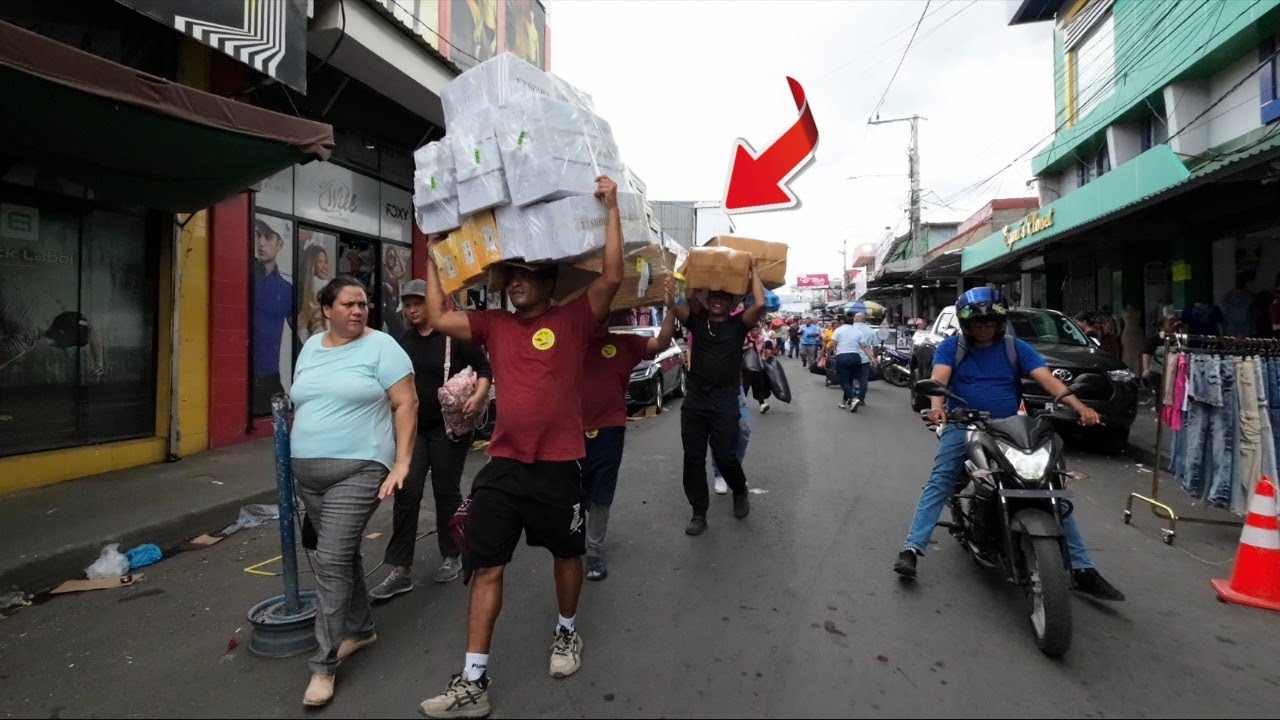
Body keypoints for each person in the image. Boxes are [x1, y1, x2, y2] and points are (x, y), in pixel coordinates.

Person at [416, 176, 624, 719]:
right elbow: (438, 317)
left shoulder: (574, 318)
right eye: (512, 276)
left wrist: (612, 207)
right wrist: (436, 250)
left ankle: (566, 633)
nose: (515, 285)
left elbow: (613, 274)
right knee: (486, 566)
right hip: (504, 465)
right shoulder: (494, 325)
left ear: (549, 281)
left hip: (558, 466)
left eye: (527, 277)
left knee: (566, 555)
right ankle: (473, 680)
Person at [893, 287, 1125, 602]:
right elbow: (939, 380)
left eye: (989, 322)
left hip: (1011, 428)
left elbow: (1048, 380)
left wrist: (1078, 406)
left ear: (999, 322)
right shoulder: (951, 347)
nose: (983, 327)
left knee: (1047, 487)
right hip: (965, 424)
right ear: (966, 325)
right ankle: (912, 548)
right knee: (942, 480)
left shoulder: (1016, 347)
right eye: (977, 323)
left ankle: (1083, 568)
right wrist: (937, 406)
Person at [289, 276, 418, 707]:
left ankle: (322, 667)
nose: (359, 311)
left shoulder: (382, 346)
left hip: (360, 468)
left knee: (330, 560)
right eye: (349, 304)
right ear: (327, 309)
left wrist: (400, 463)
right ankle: (361, 630)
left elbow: (407, 404)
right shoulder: (310, 348)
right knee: (342, 554)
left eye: (363, 304)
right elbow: (303, 401)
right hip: (308, 474)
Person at [368, 280, 493, 601]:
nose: (411, 310)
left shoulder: (453, 336)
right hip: (414, 428)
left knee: (445, 490)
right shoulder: (403, 340)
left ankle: (452, 553)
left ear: (433, 304)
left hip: (448, 427)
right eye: (407, 304)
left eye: (418, 303)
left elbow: (484, 367)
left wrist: (479, 397)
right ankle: (400, 569)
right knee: (407, 492)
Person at [579, 280, 677, 581]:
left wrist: (670, 307)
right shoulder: (568, 344)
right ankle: (572, 544)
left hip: (609, 429)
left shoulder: (624, 343)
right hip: (569, 429)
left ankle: (593, 552)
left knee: (601, 492)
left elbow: (660, 343)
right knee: (572, 490)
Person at [669, 264, 767, 536]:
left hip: (725, 398)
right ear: (707, 299)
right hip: (696, 398)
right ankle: (698, 513)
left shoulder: (738, 325)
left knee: (725, 456)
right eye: (713, 296)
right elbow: (679, 304)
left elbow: (759, 303)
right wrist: (687, 269)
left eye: (724, 298)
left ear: (732, 302)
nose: (718, 301)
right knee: (693, 457)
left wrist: (753, 271)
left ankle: (739, 488)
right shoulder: (697, 321)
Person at [252, 219, 293, 416]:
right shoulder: (244, 277)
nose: (260, 243)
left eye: (267, 237)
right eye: (257, 235)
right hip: (245, 378)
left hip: (271, 378)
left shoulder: (286, 289)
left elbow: (298, 330)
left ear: (280, 244)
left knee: (282, 426)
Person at [831, 312, 879, 412]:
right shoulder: (861, 332)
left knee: (844, 381)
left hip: (844, 357)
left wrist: (831, 353)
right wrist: (872, 358)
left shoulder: (840, 330)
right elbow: (866, 346)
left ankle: (853, 398)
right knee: (857, 380)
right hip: (857, 358)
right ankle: (847, 401)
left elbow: (832, 344)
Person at [298, 243, 333, 345]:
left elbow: (301, 325)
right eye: (320, 262)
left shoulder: (305, 288)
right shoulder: (325, 286)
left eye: (326, 262)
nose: (325, 266)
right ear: (312, 265)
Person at [742, 324, 773, 414]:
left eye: (757, 330)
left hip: (758, 365)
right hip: (747, 366)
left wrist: (763, 357)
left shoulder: (761, 339)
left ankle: (762, 405)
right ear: (750, 331)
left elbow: (762, 349)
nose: (755, 332)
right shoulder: (746, 338)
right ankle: (741, 405)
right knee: (745, 387)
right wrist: (747, 347)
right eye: (753, 330)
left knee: (760, 386)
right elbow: (737, 349)